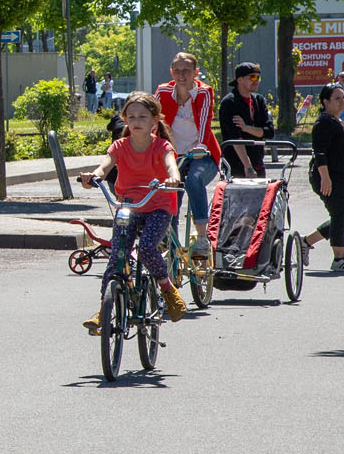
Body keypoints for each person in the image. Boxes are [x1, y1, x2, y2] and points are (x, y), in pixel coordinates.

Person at [79, 91, 187, 329]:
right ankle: (104, 311)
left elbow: (171, 165)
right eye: (132, 116)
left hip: (158, 205)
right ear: (125, 119)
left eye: (142, 117)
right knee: (117, 255)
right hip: (128, 205)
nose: (137, 121)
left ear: (154, 121)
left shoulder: (162, 146)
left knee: (148, 246)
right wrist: (93, 176)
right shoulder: (119, 146)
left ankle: (168, 290)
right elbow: (104, 167)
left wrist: (173, 178)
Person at [302, 84, 344, 272]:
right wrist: (325, 178)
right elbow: (320, 153)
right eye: (338, 98)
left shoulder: (337, 121)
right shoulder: (324, 122)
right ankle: (339, 259)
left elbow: (343, 154)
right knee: (340, 216)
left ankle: (305, 243)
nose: (343, 102)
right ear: (325, 102)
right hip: (331, 179)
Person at [156, 51, 220, 256]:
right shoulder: (163, 91)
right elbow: (155, 121)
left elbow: (205, 123)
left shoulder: (204, 92)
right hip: (174, 155)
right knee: (168, 188)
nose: (181, 75)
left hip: (203, 154)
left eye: (186, 71)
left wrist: (201, 145)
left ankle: (202, 237)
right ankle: (169, 238)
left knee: (193, 180)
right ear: (171, 72)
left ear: (196, 73)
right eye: (177, 70)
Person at [218, 62, 272, 178]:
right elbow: (236, 138)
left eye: (258, 77)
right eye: (252, 77)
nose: (256, 80)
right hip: (236, 165)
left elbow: (269, 131)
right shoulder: (229, 102)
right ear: (240, 79)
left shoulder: (259, 100)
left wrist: (246, 128)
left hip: (258, 162)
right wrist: (247, 166)